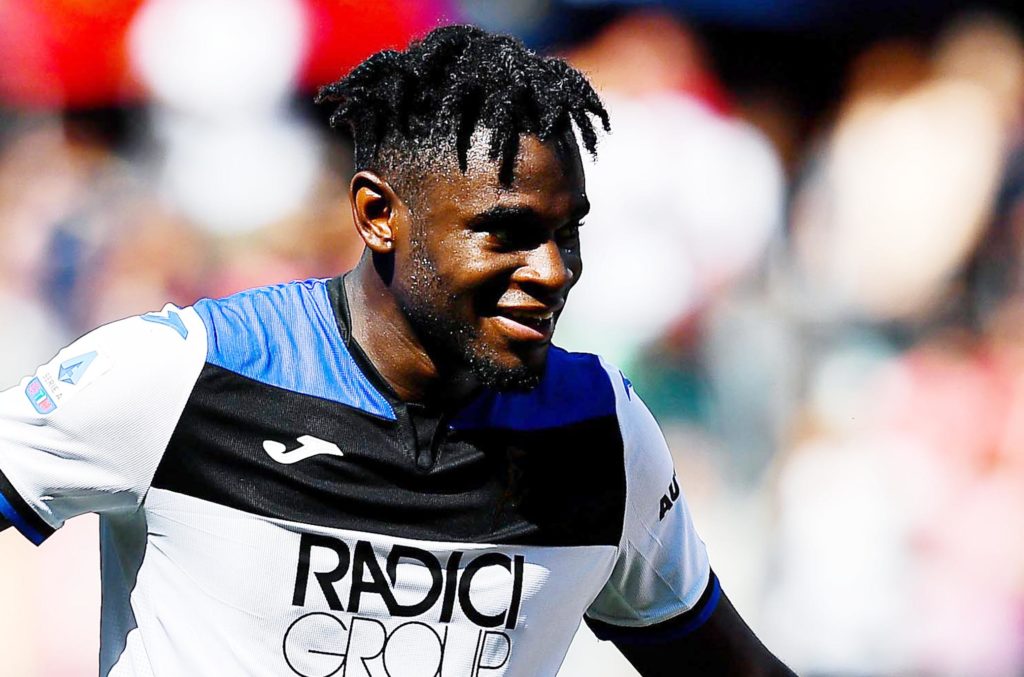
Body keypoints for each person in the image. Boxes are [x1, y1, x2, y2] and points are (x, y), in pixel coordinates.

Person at [0, 25, 793, 676]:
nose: (552, 271)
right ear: (379, 215)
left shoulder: (598, 433)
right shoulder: (187, 376)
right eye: (507, 233)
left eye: (566, 233)